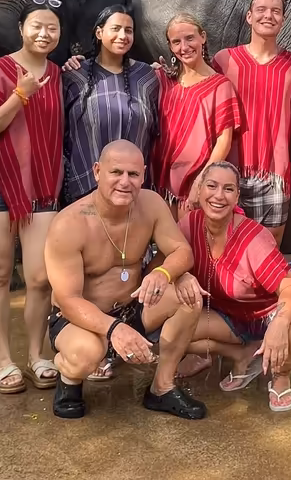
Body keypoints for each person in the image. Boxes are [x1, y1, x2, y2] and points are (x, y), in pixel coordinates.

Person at [44, 140, 207, 420]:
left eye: (133, 174)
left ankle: (162, 388)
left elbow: (182, 251)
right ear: (97, 172)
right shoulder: (69, 223)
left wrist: (163, 273)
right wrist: (114, 329)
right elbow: (68, 300)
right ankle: (69, 378)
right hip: (80, 318)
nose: (124, 182)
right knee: (86, 353)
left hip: (132, 306)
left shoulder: (151, 204)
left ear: (143, 176)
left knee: (188, 297)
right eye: (116, 172)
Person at [0, 0, 64, 394]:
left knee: (40, 278)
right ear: (21, 30)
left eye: (52, 28)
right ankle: (2, 360)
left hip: (43, 182)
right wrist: (20, 94)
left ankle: (37, 354)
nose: (44, 34)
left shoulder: (59, 74)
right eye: (37, 26)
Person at [179, 161, 291, 412]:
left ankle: (281, 373)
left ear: (237, 197)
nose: (219, 195)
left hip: (270, 311)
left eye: (228, 189)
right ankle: (243, 355)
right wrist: (180, 277)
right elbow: (165, 264)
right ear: (199, 190)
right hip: (230, 315)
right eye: (212, 186)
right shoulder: (189, 225)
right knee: (172, 327)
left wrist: (280, 323)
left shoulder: (253, 237)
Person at [211, 0, 291, 246]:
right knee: (224, 247)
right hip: (229, 171)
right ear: (249, 16)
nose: (268, 16)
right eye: (261, 10)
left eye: (276, 11)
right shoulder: (224, 61)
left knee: (268, 250)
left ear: (283, 20)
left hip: (274, 173)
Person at [62, 5, 159, 204]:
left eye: (128, 30)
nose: (122, 36)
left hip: (133, 192)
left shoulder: (147, 77)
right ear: (99, 33)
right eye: (115, 29)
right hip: (85, 191)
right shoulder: (75, 74)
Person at [151, 13, 241, 220]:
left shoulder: (221, 86)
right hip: (159, 182)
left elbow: (224, 141)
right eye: (176, 42)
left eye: (190, 38)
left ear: (203, 37)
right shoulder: (162, 79)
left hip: (193, 182)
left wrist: (202, 181)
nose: (184, 47)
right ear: (170, 46)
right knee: (164, 239)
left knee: (190, 238)